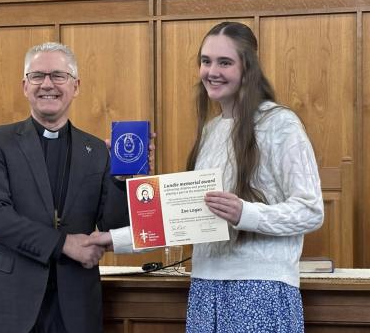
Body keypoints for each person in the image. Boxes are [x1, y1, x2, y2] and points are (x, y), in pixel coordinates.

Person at [87, 22, 324, 332]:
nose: (212, 71)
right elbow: (186, 221)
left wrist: (245, 213)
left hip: (259, 288)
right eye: (206, 60)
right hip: (205, 288)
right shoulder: (211, 131)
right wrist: (110, 240)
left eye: (225, 62)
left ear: (247, 67)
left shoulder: (280, 124)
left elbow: (311, 210)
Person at [0, 42, 132, 333]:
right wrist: (63, 244)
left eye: (58, 75)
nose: (47, 84)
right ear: (24, 85)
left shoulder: (97, 150)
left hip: (76, 304)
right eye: (37, 76)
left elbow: (113, 225)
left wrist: (122, 182)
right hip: (10, 303)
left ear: (76, 86)